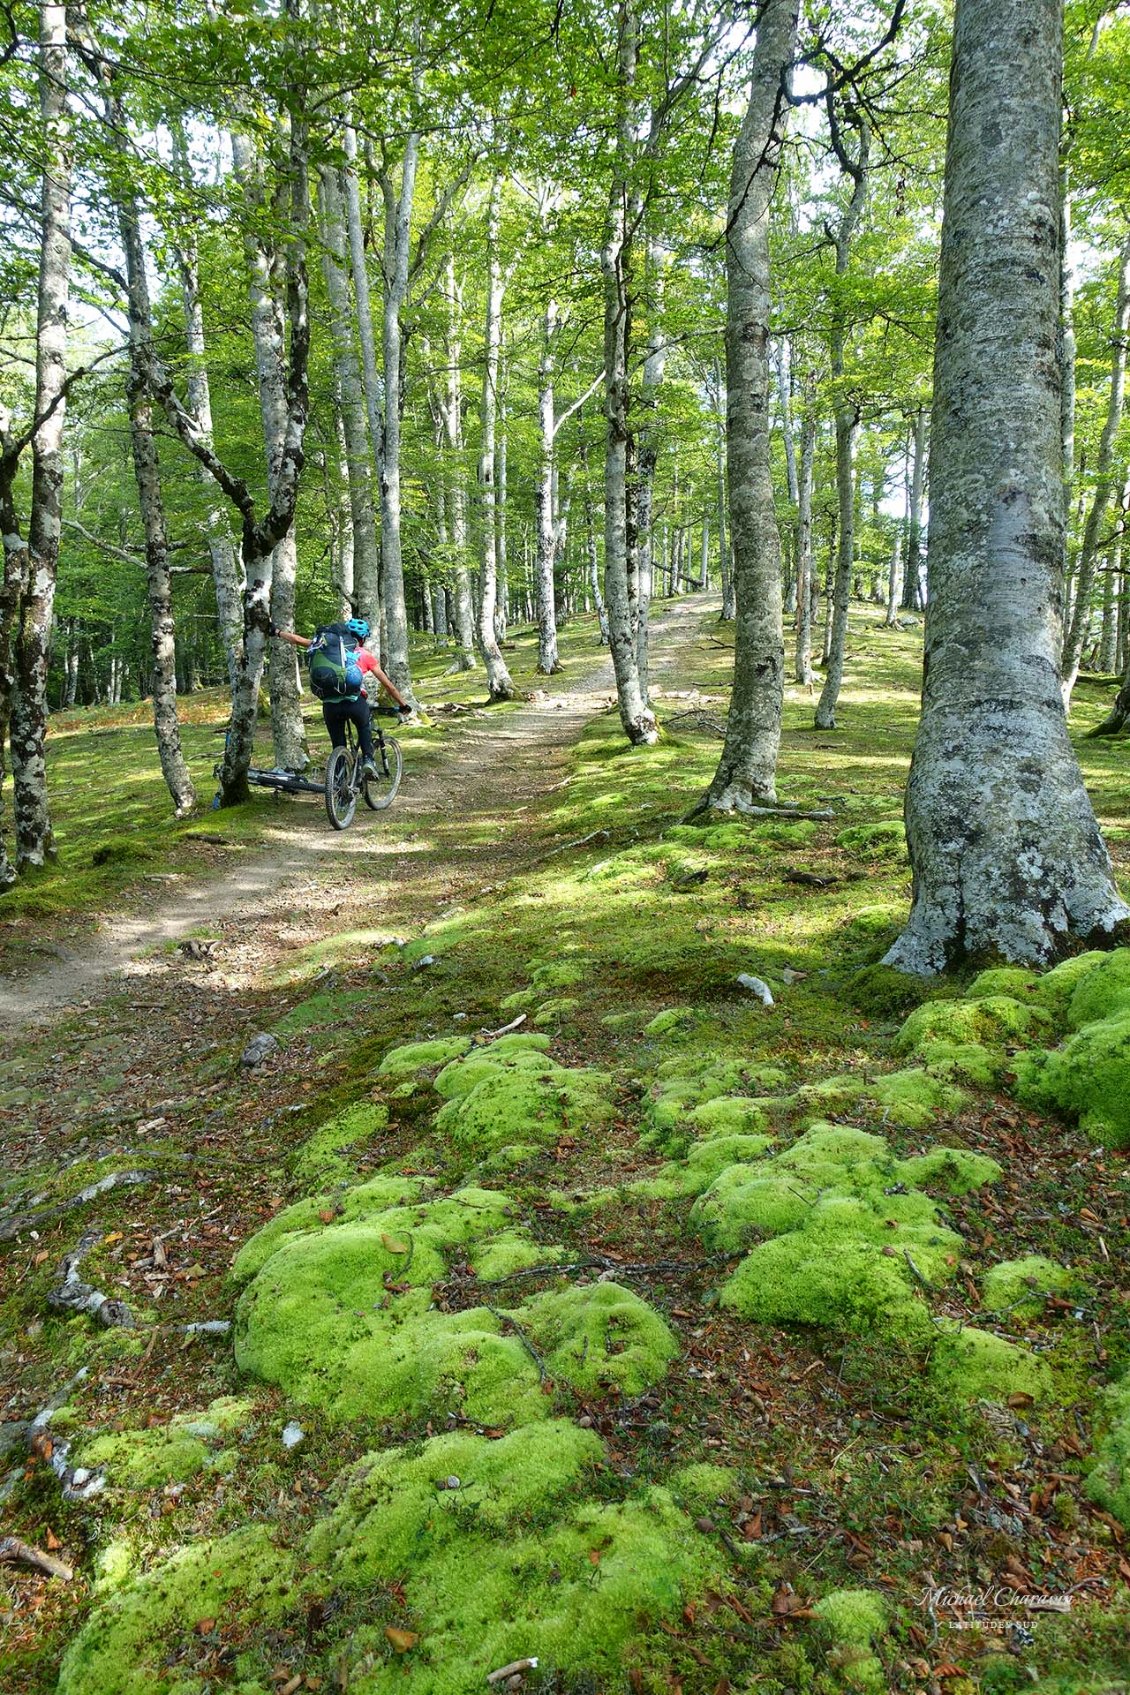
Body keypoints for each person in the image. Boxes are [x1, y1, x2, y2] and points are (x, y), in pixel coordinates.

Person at [272, 616, 410, 779]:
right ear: (362, 638)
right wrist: (403, 705)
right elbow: (389, 685)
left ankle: (338, 780)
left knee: (338, 744)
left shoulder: (322, 647)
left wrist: (277, 632)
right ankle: (368, 760)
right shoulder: (364, 654)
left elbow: (296, 639)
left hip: (330, 706)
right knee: (364, 725)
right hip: (354, 703)